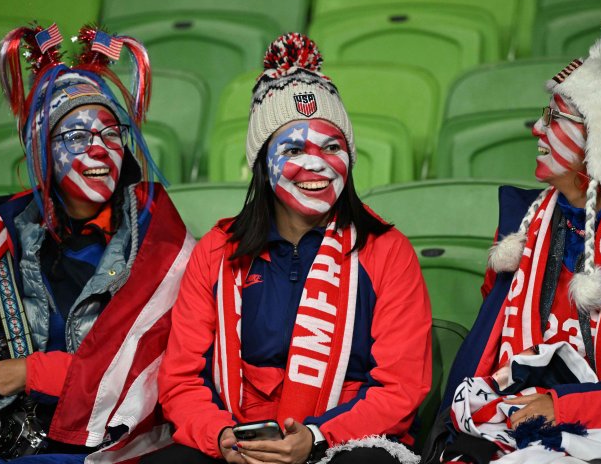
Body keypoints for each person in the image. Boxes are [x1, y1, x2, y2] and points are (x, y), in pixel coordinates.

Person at [140, 33, 432, 464]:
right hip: (240, 439)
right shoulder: (218, 252)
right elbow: (182, 382)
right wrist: (222, 437)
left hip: (346, 439)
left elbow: (400, 387)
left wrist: (316, 437)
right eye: (294, 148)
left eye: (331, 146)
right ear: (262, 163)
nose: (315, 164)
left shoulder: (387, 249)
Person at [422, 22, 601, 464]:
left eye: (555, 118)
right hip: (511, 425)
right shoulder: (521, 227)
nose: (537, 130)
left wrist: (563, 408)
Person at [0, 23, 194, 463]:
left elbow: (155, 372)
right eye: (77, 137)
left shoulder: (158, 244)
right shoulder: (0, 229)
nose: (100, 150)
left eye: (110, 134)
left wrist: (35, 373)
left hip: (106, 443)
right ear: (41, 152)